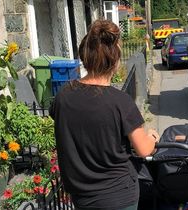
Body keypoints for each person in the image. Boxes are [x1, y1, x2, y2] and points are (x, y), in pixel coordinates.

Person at [50, 19, 159, 210]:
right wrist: (151, 137)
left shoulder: (62, 96)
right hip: (118, 196)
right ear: (115, 59)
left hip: (82, 197)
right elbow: (143, 149)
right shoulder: (120, 101)